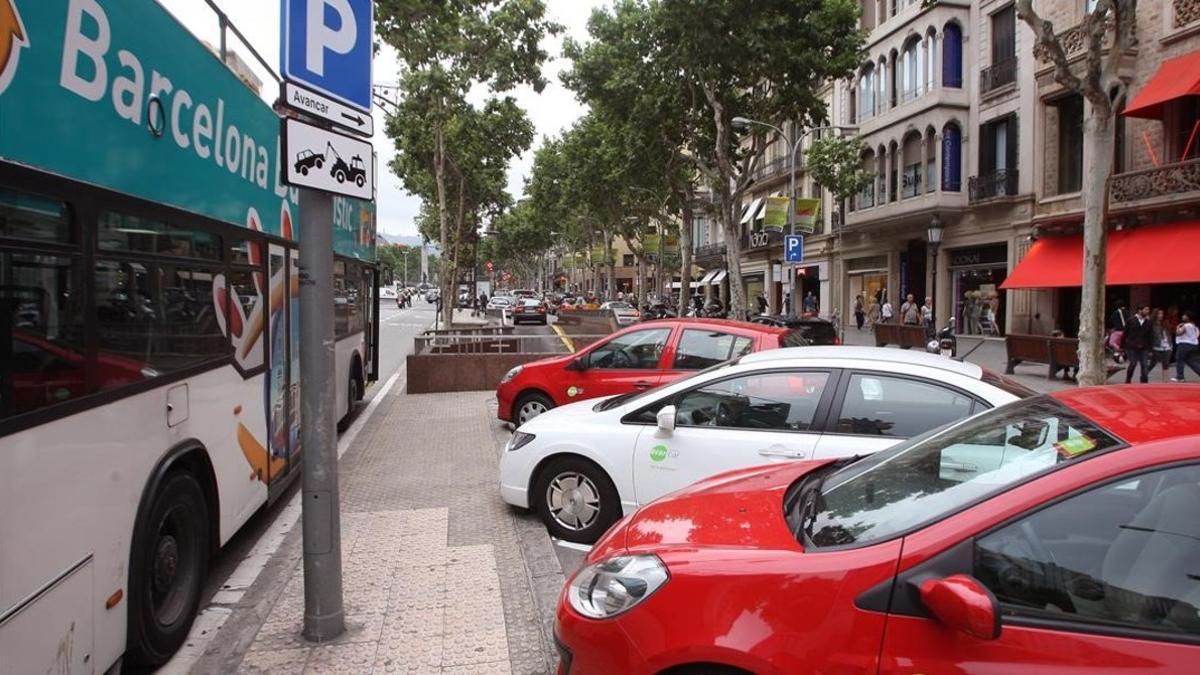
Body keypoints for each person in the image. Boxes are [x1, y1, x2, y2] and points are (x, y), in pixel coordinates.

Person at [1122, 304, 1153, 384]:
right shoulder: (1131, 320)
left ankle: (1144, 382)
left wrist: (1150, 349)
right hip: (1132, 346)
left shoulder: (1149, 322)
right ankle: (1128, 380)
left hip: (1144, 347)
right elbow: (1125, 334)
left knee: (1144, 365)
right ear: (1140, 310)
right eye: (1146, 310)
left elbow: (1150, 335)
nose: (1147, 311)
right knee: (1133, 363)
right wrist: (1122, 347)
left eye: (1148, 310)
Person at [1172, 311, 1200, 382]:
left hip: (1184, 345)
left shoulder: (1186, 325)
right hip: (1193, 345)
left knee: (1179, 360)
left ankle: (1180, 377)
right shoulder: (1195, 326)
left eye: (1184, 315)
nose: (1182, 316)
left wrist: (1178, 327)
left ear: (1188, 317)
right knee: (1191, 361)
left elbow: (1178, 333)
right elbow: (1197, 335)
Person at [1149, 308, 1174, 383]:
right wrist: (1150, 349)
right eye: (1159, 314)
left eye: (1162, 314)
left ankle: (1165, 380)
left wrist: (1171, 344)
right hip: (1157, 346)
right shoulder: (1152, 324)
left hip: (1167, 346)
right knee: (1153, 363)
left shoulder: (1165, 323)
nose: (1161, 316)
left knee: (1166, 364)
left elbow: (1169, 334)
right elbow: (1150, 337)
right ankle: (1144, 375)